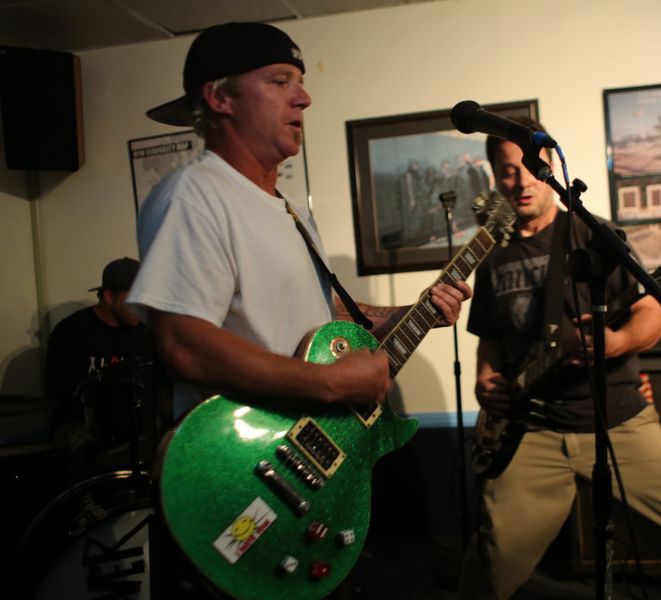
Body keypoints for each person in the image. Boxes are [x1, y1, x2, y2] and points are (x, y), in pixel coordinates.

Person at [126, 22, 471, 598]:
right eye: (279, 80)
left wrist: (402, 316)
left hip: (304, 463)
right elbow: (184, 343)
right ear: (220, 97)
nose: (303, 98)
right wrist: (330, 382)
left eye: (301, 82)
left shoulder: (287, 209)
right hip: (245, 469)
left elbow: (322, 307)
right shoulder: (196, 194)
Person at [458, 117, 661, 599]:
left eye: (529, 167)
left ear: (549, 166)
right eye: (506, 172)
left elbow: (651, 319)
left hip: (616, 418)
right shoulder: (494, 257)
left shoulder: (595, 236)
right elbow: (491, 338)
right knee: (493, 558)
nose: (521, 181)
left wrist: (615, 343)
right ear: (495, 178)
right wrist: (485, 377)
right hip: (531, 431)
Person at [45, 257, 157, 471]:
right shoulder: (71, 333)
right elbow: (61, 396)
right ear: (109, 297)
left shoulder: (147, 333)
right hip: (85, 429)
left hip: (137, 430)